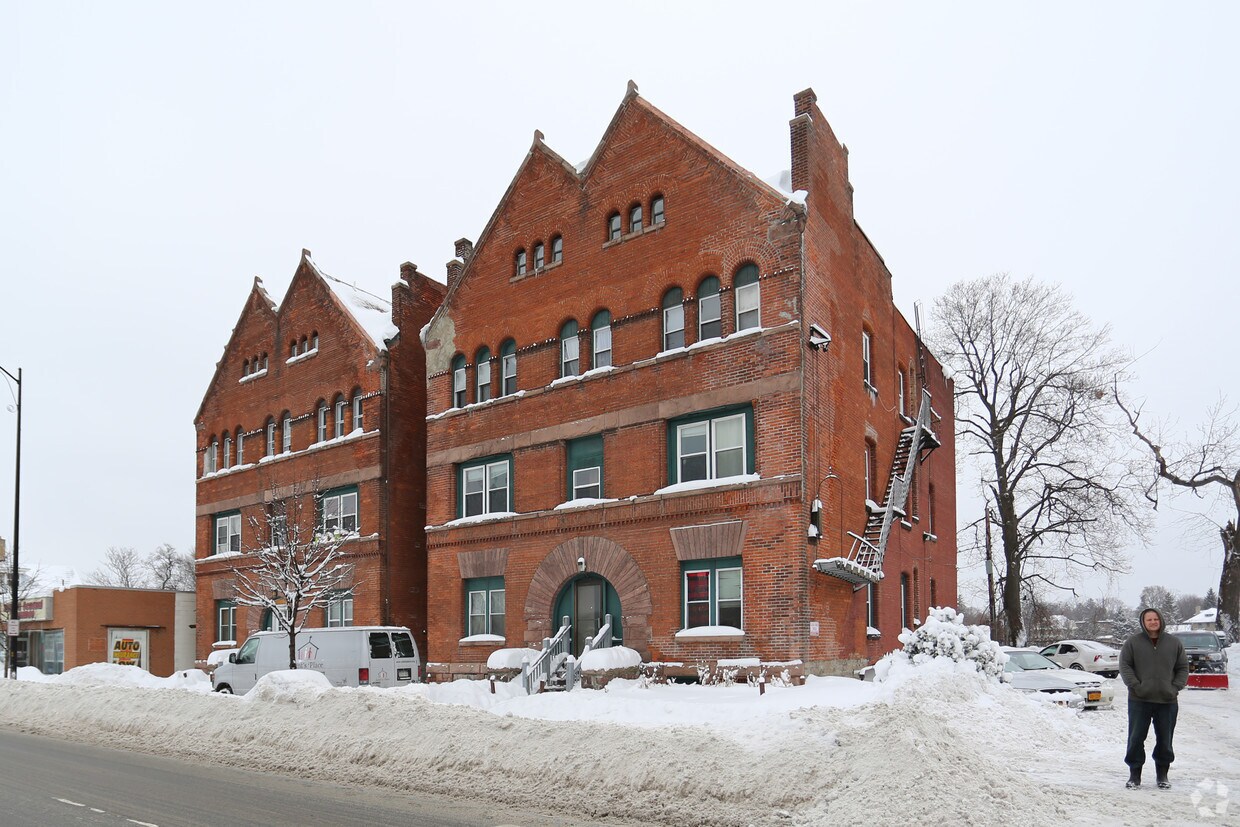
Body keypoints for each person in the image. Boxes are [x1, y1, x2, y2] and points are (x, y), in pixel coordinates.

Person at [1118, 607, 1188, 789]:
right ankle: (1134, 775)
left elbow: (1183, 668)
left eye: (1155, 619)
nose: (1153, 622)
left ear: (1161, 620)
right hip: (1139, 700)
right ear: (1143, 622)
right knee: (1136, 738)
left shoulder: (1174, 643)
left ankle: (1162, 774)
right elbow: (1125, 666)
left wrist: (1175, 687)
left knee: (1165, 739)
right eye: (1149, 619)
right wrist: (1136, 686)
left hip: (1167, 700)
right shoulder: (1133, 643)